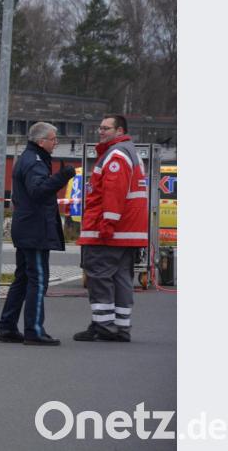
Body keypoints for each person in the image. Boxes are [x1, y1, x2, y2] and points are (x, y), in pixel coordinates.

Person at [0, 122, 75, 346]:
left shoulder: (30, 158)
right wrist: (62, 177)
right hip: (35, 229)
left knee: (22, 278)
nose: (56, 143)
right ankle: (34, 330)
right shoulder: (35, 162)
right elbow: (38, 191)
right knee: (38, 280)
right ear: (41, 141)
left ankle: (7, 326)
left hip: (28, 226)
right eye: (53, 139)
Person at [74, 115, 148, 343]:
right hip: (126, 232)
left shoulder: (116, 155)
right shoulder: (129, 152)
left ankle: (104, 325)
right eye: (100, 127)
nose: (101, 131)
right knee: (121, 278)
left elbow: (113, 193)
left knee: (99, 276)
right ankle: (120, 326)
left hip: (110, 232)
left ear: (120, 130)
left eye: (106, 128)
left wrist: (107, 224)